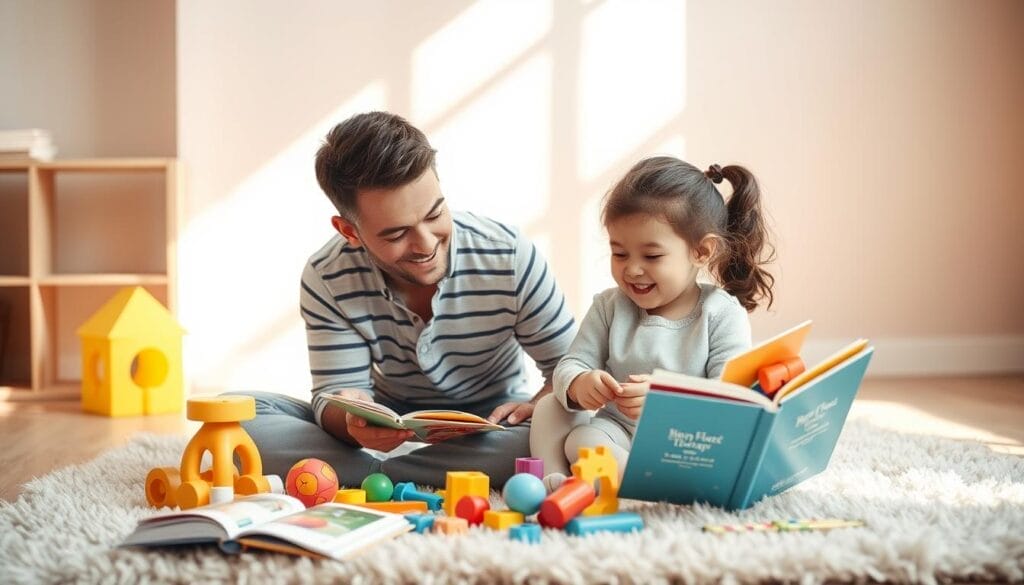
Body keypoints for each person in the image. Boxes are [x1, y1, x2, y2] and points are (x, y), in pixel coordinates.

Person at [231, 111, 575, 488]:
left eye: (435, 214)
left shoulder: (507, 254)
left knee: (568, 426)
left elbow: (572, 368)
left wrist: (537, 404)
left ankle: (374, 470)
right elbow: (334, 395)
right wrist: (351, 421)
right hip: (387, 422)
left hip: (494, 426)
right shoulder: (327, 276)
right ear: (350, 231)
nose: (426, 244)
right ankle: (414, 466)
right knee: (236, 414)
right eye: (396, 234)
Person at [529, 156, 775, 488]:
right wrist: (579, 383)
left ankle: (641, 485)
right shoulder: (610, 306)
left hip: (685, 444)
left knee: (585, 446)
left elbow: (730, 396)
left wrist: (665, 401)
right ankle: (556, 483)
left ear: (701, 251)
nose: (631, 269)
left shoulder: (720, 313)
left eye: (652, 256)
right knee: (562, 422)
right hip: (616, 432)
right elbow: (572, 361)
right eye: (619, 253)